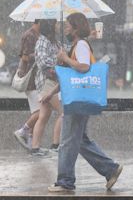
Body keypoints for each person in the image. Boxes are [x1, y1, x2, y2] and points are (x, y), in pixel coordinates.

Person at [43, 12, 122, 193]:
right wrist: (52, 92)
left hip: (78, 100)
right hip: (77, 98)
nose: (66, 29)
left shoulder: (81, 45)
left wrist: (66, 59)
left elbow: (84, 67)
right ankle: (110, 169)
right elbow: (70, 77)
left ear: (76, 27)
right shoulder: (75, 46)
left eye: (68, 25)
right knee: (80, 141)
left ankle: (65, 181)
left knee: (68, 142)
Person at [31, 19, 63, 156]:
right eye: (55, 23)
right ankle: (55, 145)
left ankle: (35, 148)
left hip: (51, 82)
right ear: (50, 26)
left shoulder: (54, 41)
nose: (58, 26)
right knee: (65, 112)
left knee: (44, 115)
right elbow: (43, 61)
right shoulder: (42, 41)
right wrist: (59, 61)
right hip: (46, 83)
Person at [13, 19, 40, 150]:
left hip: (37, 79)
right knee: (40, 112)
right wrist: (39, 55)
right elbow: (24, 57)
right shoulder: (30, 36)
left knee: (37, 112)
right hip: (31, 80)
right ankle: (23, 132)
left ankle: (32, 144)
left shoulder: (39, 36)